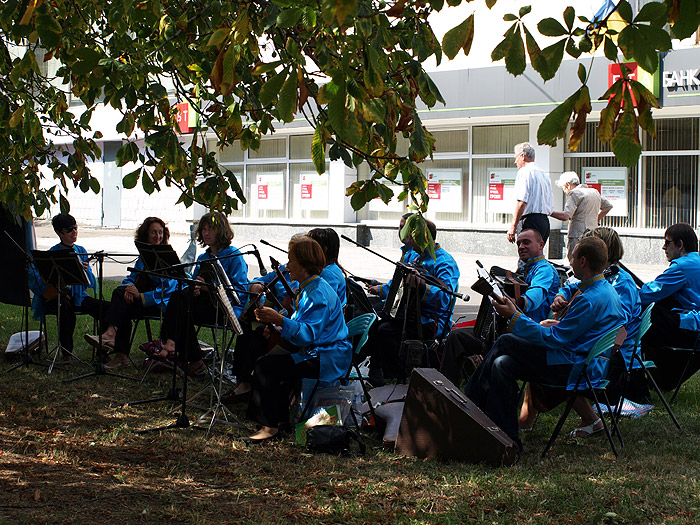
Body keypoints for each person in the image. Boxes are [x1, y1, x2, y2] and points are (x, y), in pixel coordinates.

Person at [465, 237, 625, 447]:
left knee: (505, 341)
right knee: (501, 364)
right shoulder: (603, 288)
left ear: (583, 261)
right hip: (583, 362)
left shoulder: (589, 299)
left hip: (573, 367)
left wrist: (515, 316)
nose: (570, 261)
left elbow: (554, 339)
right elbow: (571, 292)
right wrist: (557, 300)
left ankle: (469, 403)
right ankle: (505, 437)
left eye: (573, 256)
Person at [518, 227, 645, 437]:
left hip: (609, 355)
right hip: (592, 352)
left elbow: (618, 327)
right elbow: (572, 287)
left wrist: (519, 320)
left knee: (533, 354)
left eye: (576, 255)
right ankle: (586, 419)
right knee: (537, 351)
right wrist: (560, 297)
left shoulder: (617, 284)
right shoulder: (602, 281)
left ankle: (517, 421)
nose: (571, 260)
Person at [244, 236, 352, 442]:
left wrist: (279, 320)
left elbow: (308, 334)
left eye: (291, 260)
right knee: (267, 359)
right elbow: (301, 323)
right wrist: (276, 327)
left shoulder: (317, 293)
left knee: (267, 367)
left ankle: (270, 427)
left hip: (328, 357)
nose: (287, 265)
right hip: (318, 351)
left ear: (304, 264)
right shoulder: (310, 287)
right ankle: (279, 421)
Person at [440, 229, 559, 387]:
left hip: (525, 333)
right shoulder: (526, 269)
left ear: (541, 244)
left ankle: (446, 394)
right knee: (457, 333)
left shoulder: (544, 269)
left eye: (526, 242)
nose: (521, 246)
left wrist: (506, 300)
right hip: (510, 328)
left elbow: (533, 299)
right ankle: (451, 391)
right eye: (518, 243)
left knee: (457, 337)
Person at [365, 217, 460, 383]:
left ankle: (399, 376)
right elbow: (397, 284)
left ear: (423, 237)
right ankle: (376, 370)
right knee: (372, 315)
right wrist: (380, 289)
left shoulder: (445, 262)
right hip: (408, 313)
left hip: (431, 320)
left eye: (411, 236)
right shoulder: (412, 255)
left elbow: (445, 298)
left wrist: (423, 286)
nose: (407, 239)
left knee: (384, 330)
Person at [157, 212, 248, 375]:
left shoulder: (234, 256)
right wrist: (195, 288)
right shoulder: (203, 257)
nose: (206, 233)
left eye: (210, 229)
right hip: (204, 305)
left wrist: (208, 287)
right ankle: (189, 356)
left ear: (221, 231)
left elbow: (239, 292)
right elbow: (194, 283)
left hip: (225, 310)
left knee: (182, 307)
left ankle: (176, 347)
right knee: (180, 300)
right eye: (203, 229)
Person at [84, 217, 177, 369]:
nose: (158, 236)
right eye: (154, 232)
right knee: (121, 297)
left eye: (160, 233)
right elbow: (130, 278)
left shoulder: (167, 257)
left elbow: (167, 289)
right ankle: (118, 352)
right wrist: (129, 289)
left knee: (120, 305)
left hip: (160, 304)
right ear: (146, 234)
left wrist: (139, 296)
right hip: (141, 300)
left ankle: (112, 339)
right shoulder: (144, 257)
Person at [28, 214, 107, 359]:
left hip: (78, 297)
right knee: (65, 309)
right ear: (59, 233)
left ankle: (103, 352)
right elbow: (39, 278)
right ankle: (67, 353)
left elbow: (88, 284)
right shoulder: (52, 253)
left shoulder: (81, 250)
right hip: (57, 297)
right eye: (69, 229)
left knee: (105, 308)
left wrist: (85, 271)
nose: (74, 232)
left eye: (75, 228)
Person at [640, 223, 700, 390]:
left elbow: (649, 293)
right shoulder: (696, 260)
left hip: (693, 328)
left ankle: (636, 381)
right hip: (693, 322)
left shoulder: (681, 266)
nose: (663, 247)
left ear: (680, 245)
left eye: (667, 242)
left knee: (643, 317)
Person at [550, 171, 613, 261]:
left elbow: (565, 216)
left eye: (564, 188)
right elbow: (608, 206)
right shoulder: (594, 192)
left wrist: (548, 212)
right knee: (591, 261)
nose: (565, 192)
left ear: (568, 185)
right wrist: (596, 219)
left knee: (575, 260)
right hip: (593, 233)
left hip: (577, 235)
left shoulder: (574, 193)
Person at [506, 142, 553, 244]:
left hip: (529, 222)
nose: (515, 162)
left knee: (526, 256)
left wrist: (513, 227)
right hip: (544, 222)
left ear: (523, 156)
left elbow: (521, 201)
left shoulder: (524, 172)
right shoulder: (543, 174)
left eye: (516, 157)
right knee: (537, 256)